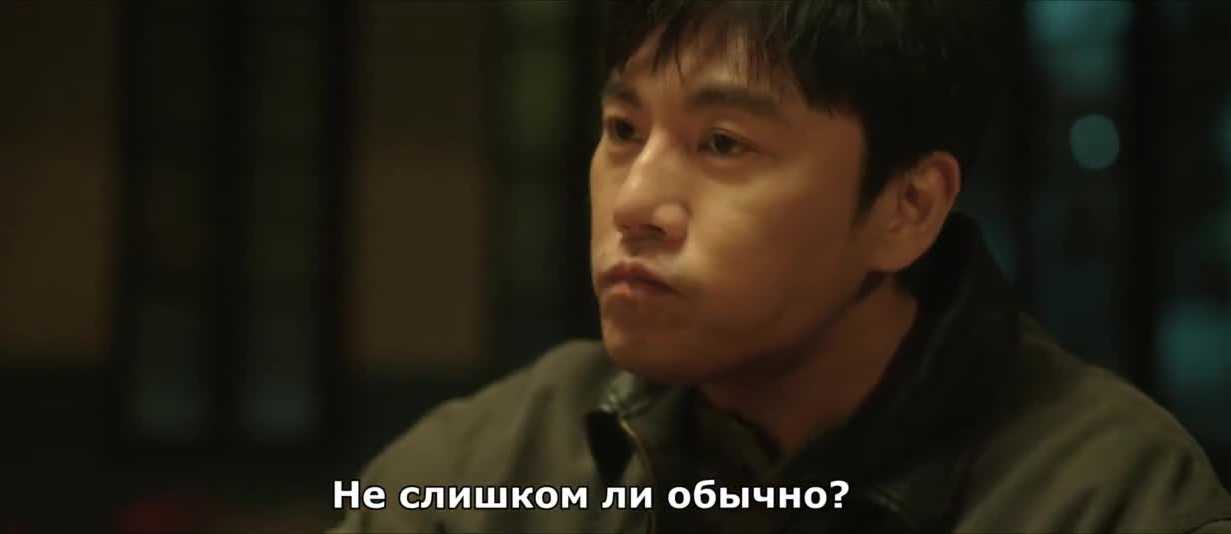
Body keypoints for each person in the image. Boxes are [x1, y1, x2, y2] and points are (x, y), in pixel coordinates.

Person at [331, 1, 1231, 532]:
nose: (635, 202)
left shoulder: (1106, 499)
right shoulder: (500, 461)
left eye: (722, 143)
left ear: (908, 207)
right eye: (623, 130)